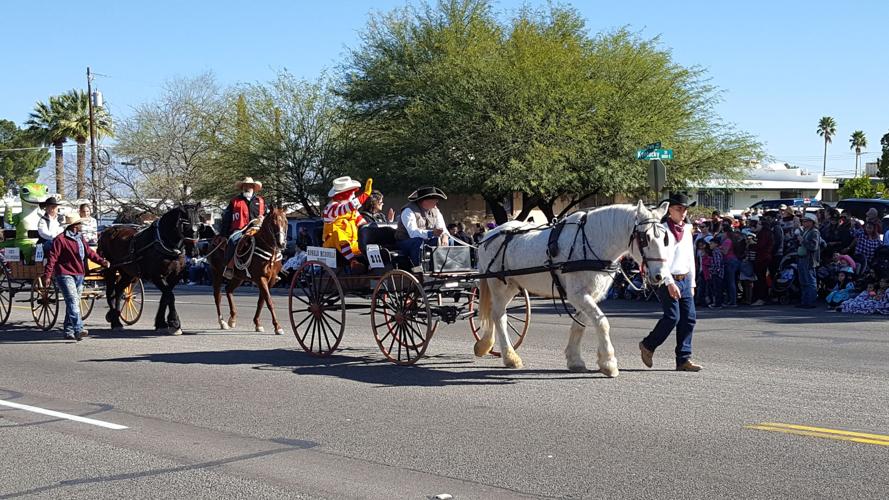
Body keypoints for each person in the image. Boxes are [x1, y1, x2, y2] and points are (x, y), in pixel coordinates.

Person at [639, 193, 702, 372]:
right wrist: (669, 282)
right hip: (668, 278)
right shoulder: (662, 230)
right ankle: (648, 345)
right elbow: (661, 260)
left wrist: (692, 283)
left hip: (685, 277)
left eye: (685, 209)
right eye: (679, 209)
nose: (683, 212)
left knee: (689, 319)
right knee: (672, 317)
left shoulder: (687, 229)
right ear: (669, 211)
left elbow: (690, 257)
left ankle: (683, 359)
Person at [43, 214, 110, 341]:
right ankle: (78, 329)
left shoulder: (80, 238)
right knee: (73, 301)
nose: (81, 226)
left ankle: (68, 330)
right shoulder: (60, 240)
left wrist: (102, 262)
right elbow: (52, 258)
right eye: (80, 224)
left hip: (79, 274)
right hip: (64, 274)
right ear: (74, 226)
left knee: (73, 302)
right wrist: (47, 275)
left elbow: (89, 253)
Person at [220, 177, 269, 278]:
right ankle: (229, 266)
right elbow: (226, 218)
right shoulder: (234, 201)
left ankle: (276, 267)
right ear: (242, 187)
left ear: (253, 188)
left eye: (250, 186)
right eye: (245, 186)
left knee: (272, 241)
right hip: (240, 230)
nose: (247, 188)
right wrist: (224, 234)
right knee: (233, 240)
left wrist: (263, 218)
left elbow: (267, 214)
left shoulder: (261, 201)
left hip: (257, 229)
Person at [323, 176, 373, 271]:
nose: (354, 196)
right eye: (352, 193)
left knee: (365, 237)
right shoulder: (330, 209)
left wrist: (371, 230)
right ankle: (353, 262)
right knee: (339, 235)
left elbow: (362, 222)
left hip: (353, 242)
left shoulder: (352, 211)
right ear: (345, 194)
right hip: (334, 244)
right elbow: (346, 208)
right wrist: (365, 195)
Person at [394, 186, 448, 267]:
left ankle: (444, 267)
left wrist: (445, 236)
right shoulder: (408, 210)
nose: (436, 203)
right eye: (434, 200)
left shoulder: (436, 211)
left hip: (426, 240)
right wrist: (431, 233)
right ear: (425, 201)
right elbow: (413, 233)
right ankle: (418, 268)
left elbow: (442, 227)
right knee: (418, 241)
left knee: (448, 241)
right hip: (406, 242)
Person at [796, 213, 821, 308]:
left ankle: (810, 301)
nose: (803, 222)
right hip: (802, 257)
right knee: (803, 281)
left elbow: (814, 246)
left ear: (811, 222)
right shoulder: (805, 231)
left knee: (810, 281)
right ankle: (804, 301)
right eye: (803, 221)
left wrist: (803, 240)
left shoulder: (814, 232)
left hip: (809, 259)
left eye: (806, 221)